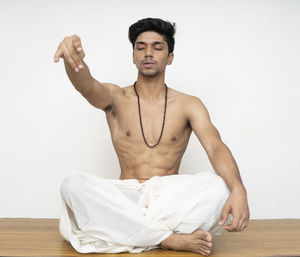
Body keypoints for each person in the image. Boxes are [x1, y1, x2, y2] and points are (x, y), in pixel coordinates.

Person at [54, 17, 250, 256]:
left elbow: (215, 147)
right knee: (72, 184)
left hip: (169, 201)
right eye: (140, 47)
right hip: (126, 196)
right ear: (133, 55)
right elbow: (88, 87)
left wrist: (239, 188)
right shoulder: (116, 97)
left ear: (170, 58)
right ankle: (168, 238)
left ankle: (129, 231)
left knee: (221, 186)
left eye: (157, 47)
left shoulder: (189, 104)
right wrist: (73, 59)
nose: (148, 53)